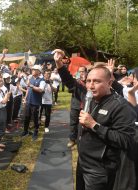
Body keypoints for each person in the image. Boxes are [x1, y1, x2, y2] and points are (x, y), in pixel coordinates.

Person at [53, 49, 136, 190]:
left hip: (101, 169)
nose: (91, 85)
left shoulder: (120, 106)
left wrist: (94, 125)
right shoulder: (88, 95)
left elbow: (126, 140)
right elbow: (70, 82)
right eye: (88, 81)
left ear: (110, 83)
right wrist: (58, 63)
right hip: (83, 162)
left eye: (96, 81)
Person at [22, 64, 45, 141]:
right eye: (32, 69)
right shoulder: (30, 78)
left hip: (36, 102)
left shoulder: (42, 80)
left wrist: (31, 86)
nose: (32, 70)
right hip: (28, 101)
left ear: (39, 71)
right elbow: (28, 89)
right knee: (26, 117)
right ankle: (25, 131)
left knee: (35, 118)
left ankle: (35, 132)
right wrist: (25, 98)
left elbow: (41, 90)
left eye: (34, 69)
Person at [67, 66, 87, 148]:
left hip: (86, 105)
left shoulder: (89, 81)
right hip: (75, 105)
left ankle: (81, 139)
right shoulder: (75, 81)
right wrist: (75, 81)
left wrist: (85, 81)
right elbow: (69, 90)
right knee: (73, 123)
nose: (81, 73)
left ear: (86, 72)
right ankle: (72, 139)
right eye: (79, 71)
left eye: (82, 71)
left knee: (83, 123)